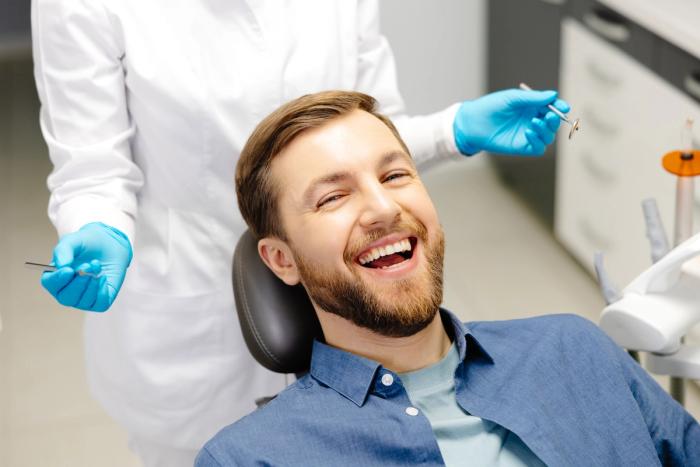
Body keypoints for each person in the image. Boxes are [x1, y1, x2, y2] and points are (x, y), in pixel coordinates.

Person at [31, 0, 568, 464]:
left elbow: (364, 134)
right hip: (191, 315)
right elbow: (93, 166)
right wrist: (98, 226)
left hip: (337, 302)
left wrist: (452, 130)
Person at [196, 90, 700, 466]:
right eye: (333, 197)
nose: (383, 207)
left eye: (395, 176)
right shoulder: (248, 459)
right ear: (281, 259)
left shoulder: (573, 347)